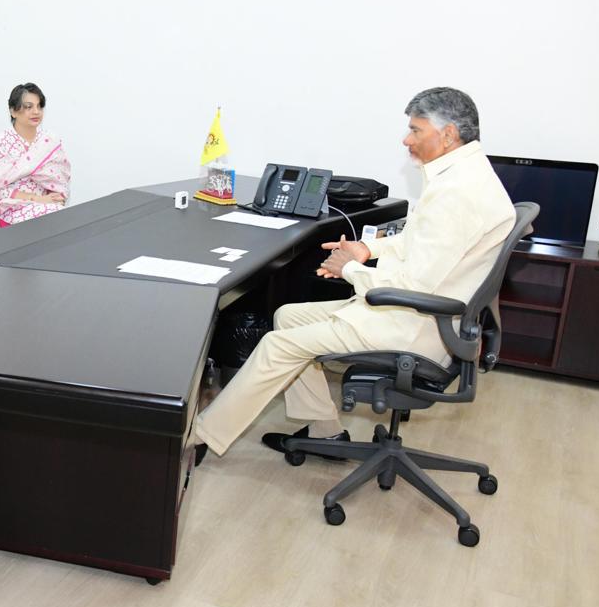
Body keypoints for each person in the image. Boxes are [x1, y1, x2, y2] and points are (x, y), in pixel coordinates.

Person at [192, 87, 515, 462]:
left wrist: (349, 269)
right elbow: (419, 241)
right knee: (286, 316)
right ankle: (325, 431)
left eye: (415, 130)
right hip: (429, 317)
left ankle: (198, 437)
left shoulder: (457, 193)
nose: (406, 139)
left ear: (447, 135)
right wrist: (367, 250)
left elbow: (412, 286)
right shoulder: (466, 172)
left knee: (276, 345)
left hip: (414, 324)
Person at [0, 82, 72, 226]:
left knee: (65, 218)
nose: (36, 111)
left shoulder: (49, 141)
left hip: (47, 205)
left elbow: (60, 181)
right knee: (55, 220)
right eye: (28, 107)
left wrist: (55, 197)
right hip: (10, 208)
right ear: (13, 111)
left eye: (39, 106)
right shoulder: (2, 143)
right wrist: (39, 200)